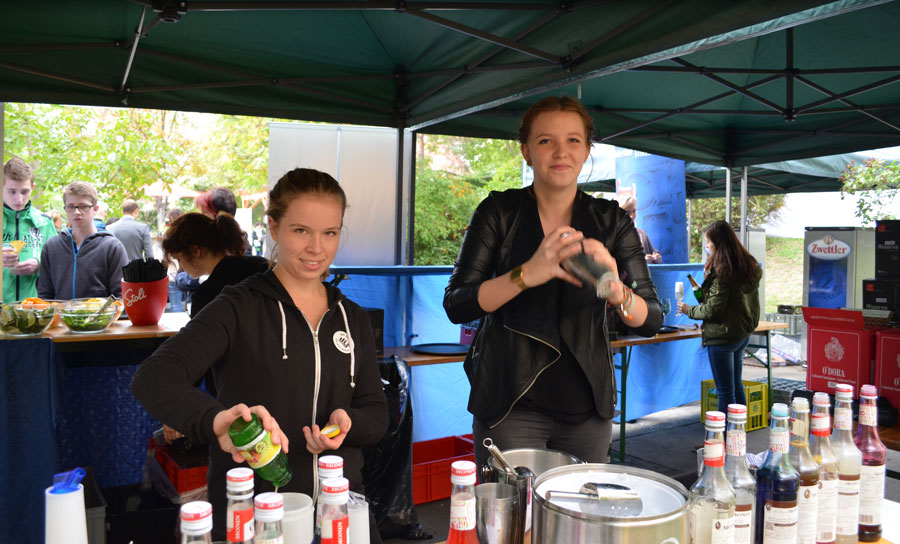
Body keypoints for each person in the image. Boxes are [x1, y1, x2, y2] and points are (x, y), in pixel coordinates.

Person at [131, 168, 388, 542]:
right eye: (301, 230)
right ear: (273, 227)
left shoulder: (353, 319)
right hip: (255, 519)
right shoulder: (238, 306)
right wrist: (218, 421)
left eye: (330, 233)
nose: (317, 248)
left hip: (339, 515)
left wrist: (348, 421)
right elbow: (154, 377)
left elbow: (377, 415)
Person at [443, 96, 663, 469]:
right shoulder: (499, 211)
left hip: (588, 410)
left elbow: (651, 319)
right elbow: (457, 303)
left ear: (587, 149)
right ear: (526, 151)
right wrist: (526, 274)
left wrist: (616, 290)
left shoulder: (612, 220)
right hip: (510, 404)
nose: (561, 152)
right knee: (513, 526)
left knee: (581, 522)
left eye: (573, 140)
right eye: (546, 141)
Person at [677, 220, 762, 412]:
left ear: (719, 242)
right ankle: (738, 436)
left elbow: (712, 309)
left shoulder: (723, 271)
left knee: (725, 392)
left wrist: (688, 310)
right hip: (741, 334)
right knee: (736, 386)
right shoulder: (747, 264)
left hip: (723, 336)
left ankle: (724, 439)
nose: (706, 246)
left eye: (708, 242)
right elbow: (725, 303)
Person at [37, 182, 128, 299]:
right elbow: (45, 294)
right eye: (71, 207)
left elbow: (121, 295)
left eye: (83, 206)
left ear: (95, 209)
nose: (77, 212)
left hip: (100, 317)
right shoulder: (52, 246)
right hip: (61, 317)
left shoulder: (112, 247)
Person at [2, 157, 58, 302]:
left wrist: (40, 265)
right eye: (12, 192)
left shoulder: (44, 223)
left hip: (33, 309)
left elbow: (59, 265)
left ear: (32, 188)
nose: (19, 199)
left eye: (24, 192)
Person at [618, 195, 662, 264]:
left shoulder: (641, 234)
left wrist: (657, 258)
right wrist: (641, 261)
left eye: (634, 211)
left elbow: (655, 254)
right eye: (627, 212)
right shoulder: (612, 236)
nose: (632, 215)